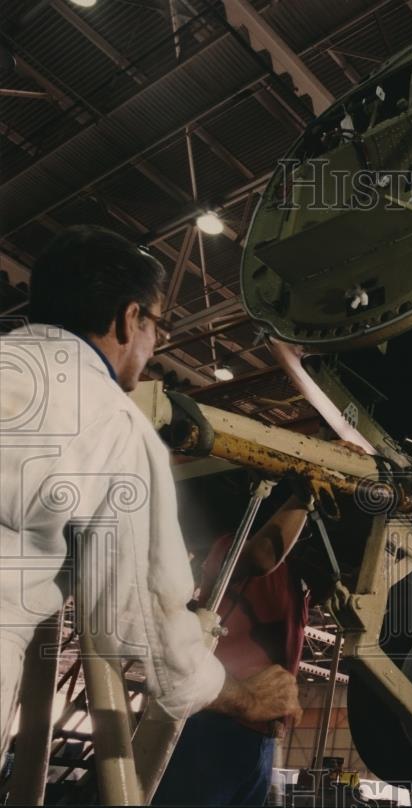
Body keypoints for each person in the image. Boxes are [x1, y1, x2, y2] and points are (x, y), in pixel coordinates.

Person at [0, 226, 300, 769]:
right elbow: (141, 613)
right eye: (157, 323)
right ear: (127, 317)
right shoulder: (112, 422)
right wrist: (243, 695)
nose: (158, 341)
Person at [154, 479, 355, 806]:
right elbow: (263, 555)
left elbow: (337, 588)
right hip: (214, 723)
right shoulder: (233, 548)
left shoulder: (297, 585)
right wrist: (306, 495)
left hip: (260, 739)